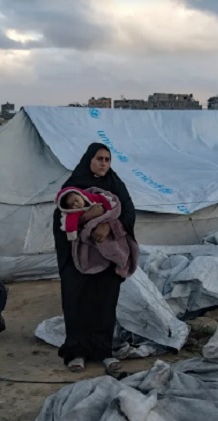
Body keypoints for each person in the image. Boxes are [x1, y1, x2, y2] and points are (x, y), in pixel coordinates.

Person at [52, 142, 136, 374]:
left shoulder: (115, 185)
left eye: (107, 160)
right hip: (77, 258)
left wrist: (108, 226)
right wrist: (85, 219)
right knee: (76, 302)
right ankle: (76, 352)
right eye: (99, 159)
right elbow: (61, 220)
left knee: (104, 303)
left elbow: (128, 212)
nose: (103, 164)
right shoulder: (73, 186)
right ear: (89, 159)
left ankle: (103, 351)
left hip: (107, 257)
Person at [56, 185, 138, 279]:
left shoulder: (113, 186)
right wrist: (86, 217)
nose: (76, 204)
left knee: (113, 248)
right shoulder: (68, 202)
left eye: (76, 200)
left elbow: (125, 211)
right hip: (87, 254)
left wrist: (108, 223)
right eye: (72, 205)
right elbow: (68, 226)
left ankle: (121, 260)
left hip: (111, 232)